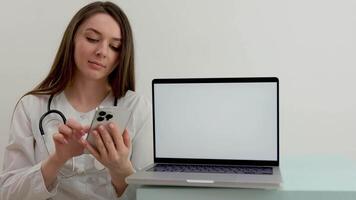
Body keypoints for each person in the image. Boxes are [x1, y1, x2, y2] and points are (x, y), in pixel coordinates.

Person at [0, 1, 153, 200]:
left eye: (115, 46)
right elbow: (7, 193)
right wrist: (57, 159)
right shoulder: (31, 106)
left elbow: (151, 195)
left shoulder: (136, 107)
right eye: (92, 38)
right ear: (72, 39)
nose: (102, 51)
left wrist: (121, 169)